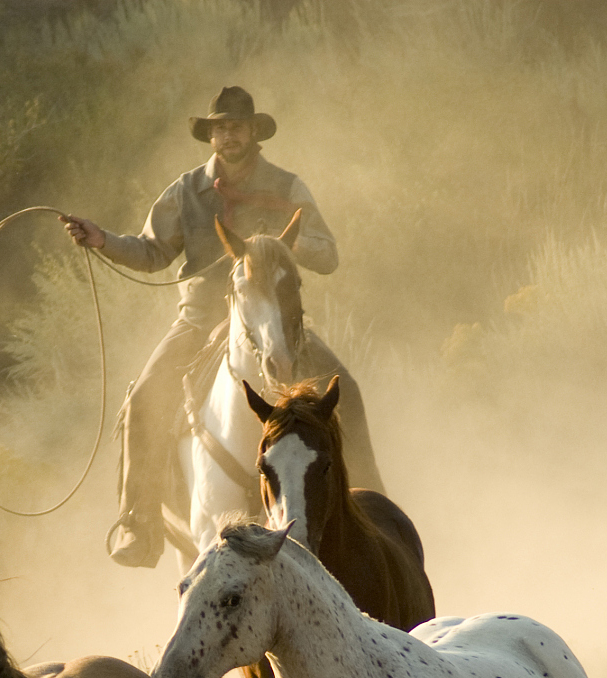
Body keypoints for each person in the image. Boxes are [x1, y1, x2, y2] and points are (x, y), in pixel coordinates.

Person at [60, 86, 377, 568]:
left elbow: (327, 253)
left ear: (254, 131)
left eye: (237, 126)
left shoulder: (287, 186)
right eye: (220, 127)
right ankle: (139, 523)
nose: (229, 135)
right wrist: (104, 240)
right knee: (144, 399)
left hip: (274, 320)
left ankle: (372, 509)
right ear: (211, 136)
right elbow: (150, 251)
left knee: (345, 390)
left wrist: (280, 248)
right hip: (200, 318)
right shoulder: (186, 191)